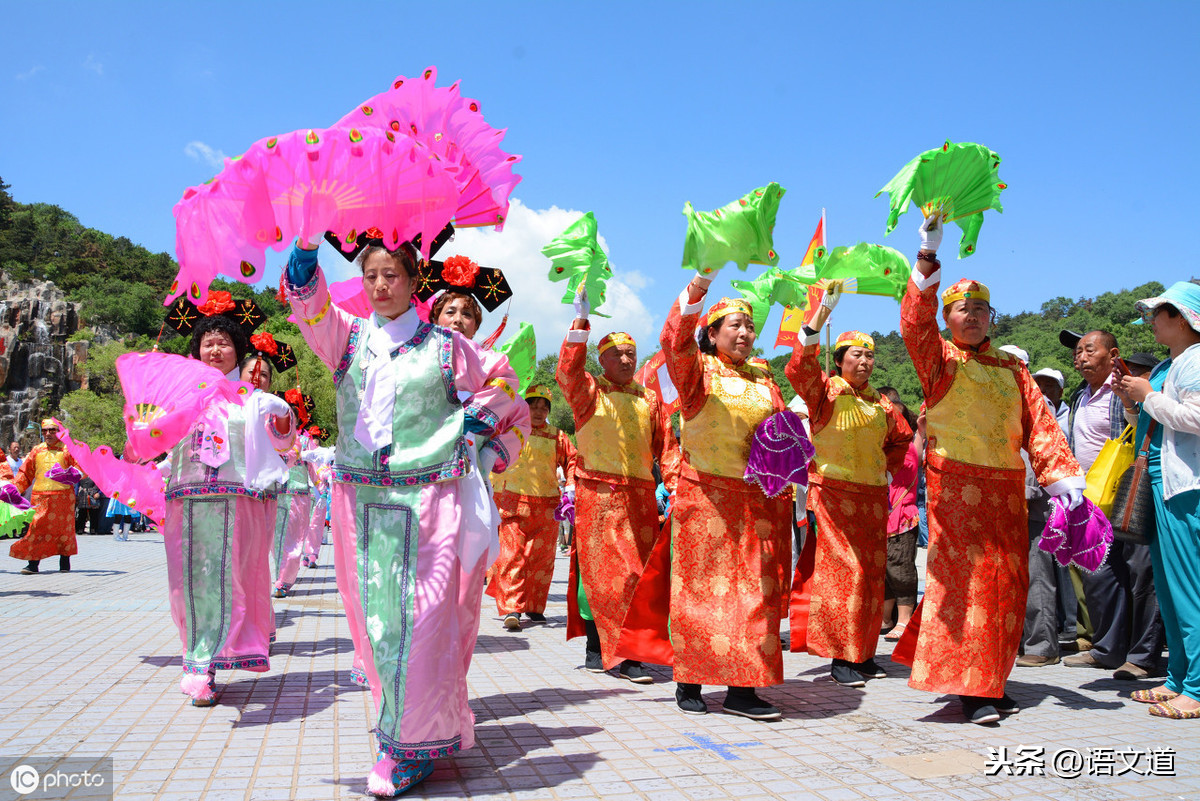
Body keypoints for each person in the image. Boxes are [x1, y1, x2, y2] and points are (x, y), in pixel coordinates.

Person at [285, 235, 530, 796]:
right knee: (376, 626)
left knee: (421, 625)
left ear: (414, 282)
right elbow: (311, 308)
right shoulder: (346, 337)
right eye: (371, 274)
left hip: (430, 503)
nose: (379, 285)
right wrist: (304, 257)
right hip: (360, 505)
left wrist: (472, 426)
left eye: (392, 275)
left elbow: (506, 387)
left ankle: (405, 748)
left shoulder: (446, 346)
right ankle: (397, 731)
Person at [893, 215, 1085, 724]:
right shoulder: (938, 360)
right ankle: (971, 688)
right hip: (955, 489)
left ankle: (991, 679)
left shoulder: (1012, 366)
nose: (973, 317)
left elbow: (1040, 424)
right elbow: (913, 322)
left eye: (981, 309)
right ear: (947, 317)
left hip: (1005, 492)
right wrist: (929, 252)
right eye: (962, 309)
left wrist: (1059, 477)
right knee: (967, 584)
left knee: (1007, 583)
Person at [658, 275, 791, 721]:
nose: (745, 334)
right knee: (701, 592)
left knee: (756, 593)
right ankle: (690, 678)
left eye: (750, 327)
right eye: (734, 325)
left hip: (757, 500)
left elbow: (780, 433)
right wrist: (698, 285)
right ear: (712, 334)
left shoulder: (764, 377)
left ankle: (743, 688)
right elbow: (674, 341)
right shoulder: (697, 372)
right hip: (707, 498)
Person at [162, 304, 295, 707]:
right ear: (197, 350)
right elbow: (159, 441)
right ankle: (198, 662)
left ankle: (218, 656)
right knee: (195, 581)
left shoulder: (252, 399)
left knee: (233, 579)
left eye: (223, 343)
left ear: (239, 351)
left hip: (239, 502)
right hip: (190, 500)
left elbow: (282, 446)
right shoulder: (179, 394)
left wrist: (284, 418)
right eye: (207, 342)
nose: (215, 349)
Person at [785, 287, 913, 688]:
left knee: (872, 576)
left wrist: (889, 472)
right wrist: (817, 320)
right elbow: (797, 370)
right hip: (833, 495)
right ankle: (840, 656)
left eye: (870, 354)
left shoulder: (882, 404)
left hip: (873, 499)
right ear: (839, 360)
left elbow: (902, 439)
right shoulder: (824, 392)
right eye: (855, 354)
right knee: (843, 576)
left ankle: (863, 652)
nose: (864, 361)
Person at [557, 292, 678, 684]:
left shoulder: (650, 400)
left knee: (637, 575)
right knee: (612, 575)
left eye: (631, 353)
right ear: (601, 361)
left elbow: (668, 449)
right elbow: (568, 372)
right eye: (616, 354)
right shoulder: (590, 393)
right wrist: (580, 324)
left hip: (642, 499)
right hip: (600, 496)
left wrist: (675, 488)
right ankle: (623, 655)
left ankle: (601, 647)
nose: (626, 360)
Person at [1113, 281, 1200, 719]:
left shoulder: (1197, 360)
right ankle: (1179, 680)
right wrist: (1133, 402)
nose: (1150, 322)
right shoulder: (1171, 364)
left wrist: (1149, 395)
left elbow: (1197, 418)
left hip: (1188, 487)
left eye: (1157, 314)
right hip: (1162, 484)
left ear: (1181, 317)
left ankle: (1197, 689)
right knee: (1169, 590)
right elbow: (1153, 419)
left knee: (1190, 589)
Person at [1063, 330, 1165, 680]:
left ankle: (1142, 656)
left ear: (1113, 354)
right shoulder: (1080, 396)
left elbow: (1147, 433)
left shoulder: (1129, 389)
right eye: (1078, 352)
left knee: (1140, 573)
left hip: (1131, 493)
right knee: (1101, 575)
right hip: (1091, 497)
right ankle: (1107, 649)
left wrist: (1129, 402)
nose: (1081, 357)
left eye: (1089, 350)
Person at [488, 385, 575, 631]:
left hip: (547, 506)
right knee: (512, 555)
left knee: (541, 560)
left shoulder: (557, 436)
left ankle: (535, 606)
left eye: (543, 407)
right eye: (533, 406)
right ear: (524, 406)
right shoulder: (511, 429)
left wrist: (570, 487)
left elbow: (573, 459)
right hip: (513, 502)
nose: (538, 412)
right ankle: (511, 608)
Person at [1018, 365, 1081, 667]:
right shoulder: (1008, 402)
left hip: (1036, 503)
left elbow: (1043, 455)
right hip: (1008, 503)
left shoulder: (1042, 408)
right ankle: (1019, 640)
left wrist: (1028, 488)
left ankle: (1042, 645)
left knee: (1037, 574)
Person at [10, 420, 80, 574]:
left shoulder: (68, 450)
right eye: (45, 431)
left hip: (63, 498)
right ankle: (33, 564)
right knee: (36, 529)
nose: (48, 434)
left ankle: (64, 562)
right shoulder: (36, 450)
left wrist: (72, 475)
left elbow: (80, 469)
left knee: (64, 530)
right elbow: (24, 474)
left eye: (52, 430)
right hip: (40, 498)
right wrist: (13, 490)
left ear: (59, 431)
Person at [880, 394, 923, 644]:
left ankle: (905, 619)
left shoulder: (905, 447)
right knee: (884, 570)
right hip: (882, 516)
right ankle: (886, 619)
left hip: (902, 516)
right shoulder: (884, 445)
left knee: (900, 568)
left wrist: (921, 433)